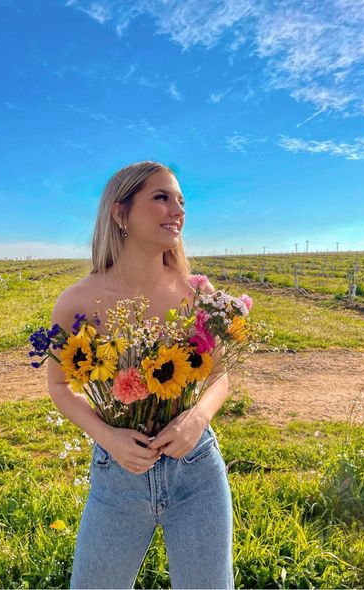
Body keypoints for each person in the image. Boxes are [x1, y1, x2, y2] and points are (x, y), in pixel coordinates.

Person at [47, 161, 235, 589]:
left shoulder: (197, 293)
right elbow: (58, 385)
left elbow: (220, 377)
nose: (178, 210)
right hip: (118, 479)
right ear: (120, 213)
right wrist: (109, 437)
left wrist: (197, 419)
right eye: (161, 197)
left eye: (181, 201)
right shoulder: (78, 300)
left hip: (197, 471)